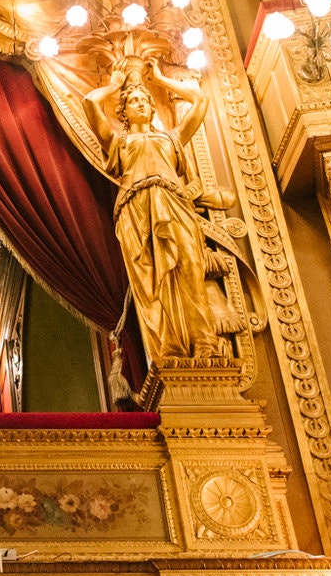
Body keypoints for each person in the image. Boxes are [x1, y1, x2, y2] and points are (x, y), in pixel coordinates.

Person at [85, 57, 237, 363]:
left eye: (145, 100)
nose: (141, 104)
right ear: (124, 112)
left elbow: (201, 99)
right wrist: (115, 85)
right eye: (134, 102)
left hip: (174, 205)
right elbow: (90, 101)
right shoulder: (120, 141)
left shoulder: (171, 138)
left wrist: (160, 80)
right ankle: (169, 350)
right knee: (151, 279)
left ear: (152, 108)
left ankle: (204, 344)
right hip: (136, 209)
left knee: (190, 269)